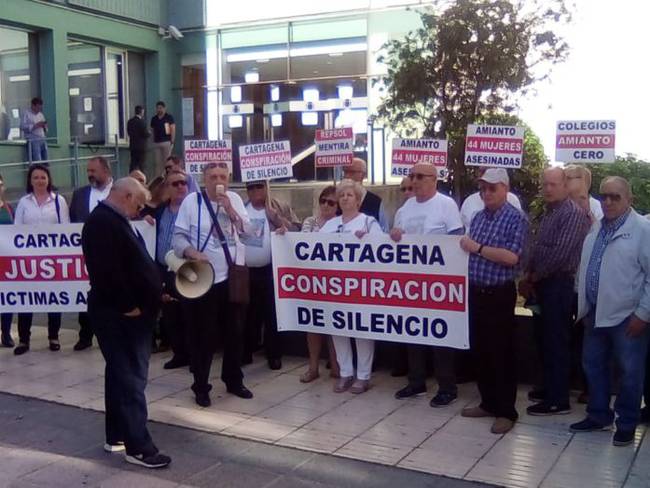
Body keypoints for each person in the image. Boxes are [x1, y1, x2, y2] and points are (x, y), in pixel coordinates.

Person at [82, 177, 170, 468]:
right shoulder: (102, 223)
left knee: (119, 374)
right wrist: (129, 306)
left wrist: (157, 290)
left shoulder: (112, 220)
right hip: (119, 315)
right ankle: (139, 447)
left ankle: (117, 435)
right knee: (131, 377)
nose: (139, 209)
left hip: (123, 313)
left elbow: (134, 265)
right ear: (128, 195)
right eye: (139, 203)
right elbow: (107, 272)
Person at [570, 176, 650, 447]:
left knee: (630, 373)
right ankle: (598, 415)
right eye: (604, 196)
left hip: (629, 317)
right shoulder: (596, 228)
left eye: (615, 196)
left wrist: (643, 314)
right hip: (595, 313)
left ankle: (626, 423)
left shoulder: (642, 230)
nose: (607, 201)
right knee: (593, 367)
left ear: (629, 200)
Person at [172, 162, 253, 407]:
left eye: (223, 176)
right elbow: (177, 238)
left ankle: (233, 379)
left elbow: (249, 232)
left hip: (232, 277)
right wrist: (191, 251)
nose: (219, 180)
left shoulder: (235, 200)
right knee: (203, 335)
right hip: (205, 278)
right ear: (204, 179)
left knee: (235, 333)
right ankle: (201, 385)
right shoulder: (191, 202)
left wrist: (230, 210)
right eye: (213, 177)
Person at [459, 168, 528, 434]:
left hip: (499, 294)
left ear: (505, 189)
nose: (486, 193)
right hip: (476, 292)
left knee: (501, 353)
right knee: (481, 351)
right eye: (483, 188)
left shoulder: (515, 219)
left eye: (492, 188)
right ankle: (487, 402)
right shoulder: (477, 217)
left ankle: (506, 411)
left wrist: (477, 248)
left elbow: (512, 257)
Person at [390, 163, 464, 407]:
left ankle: (447, 387)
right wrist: (395, 235)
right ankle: (416, 382)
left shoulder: (446, 205)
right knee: (414, 331)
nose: (414, 181)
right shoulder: (406, 207)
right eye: (412, 176)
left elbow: (456, 238)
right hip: (411, 282)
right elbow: (396, 237)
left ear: (434, 179)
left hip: (438, 281)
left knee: (440, 334)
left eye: (419, 176)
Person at [521, 167, 592, 415]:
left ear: (564, 186)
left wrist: (534, 276)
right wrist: (529, 274)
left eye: (553, 184)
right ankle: (550, 387)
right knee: (543, 339)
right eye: (545, 185)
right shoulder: (550, 212)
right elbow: (538, 247)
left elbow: (559, 255)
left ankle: (558, 398)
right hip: (542, 284)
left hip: (558, 285)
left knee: (556, 342)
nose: (548, 189)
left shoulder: (572, 213)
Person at [320, 179, 383, 394]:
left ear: (358, 200)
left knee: (362, 328)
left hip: (360, 286)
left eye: (350, 195)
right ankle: (345, 372)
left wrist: (367, 239)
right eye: (343, 195)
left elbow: (382, 248)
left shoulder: (368, 222)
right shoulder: (329, 225)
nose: (346, 198)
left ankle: (363, 376)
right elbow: (310, 247)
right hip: (335, 286)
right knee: (339, 328)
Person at [242, 180, 301, 370]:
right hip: (246, 269)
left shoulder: (279, 207)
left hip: (271, 268)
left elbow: (297, 230)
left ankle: (274, 354)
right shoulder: (241, 208)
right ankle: (246, 351)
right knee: (247, 313)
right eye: (251, 187)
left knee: (272, 313)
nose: (255, 191)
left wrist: (277, 219)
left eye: (259, 186)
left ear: (266, 187)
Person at [13, 164, 70, 355]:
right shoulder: (23, 202)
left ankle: (53, 336)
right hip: (28, 260)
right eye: (35, 177)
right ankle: (23, 340)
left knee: (53, 298)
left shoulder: (58, 201)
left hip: (53, 259)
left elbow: (66, 228)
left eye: (43, 177)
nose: (39, 181)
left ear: (49, 179)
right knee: (26, 299)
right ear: (30, 180)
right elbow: (16, 230)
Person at [69, 156, 114, 351]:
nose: (90, 174)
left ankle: (113, 332)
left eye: (93, 171)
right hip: (86, 253)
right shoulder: (79, 195)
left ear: (106, 170)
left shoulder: (120, 190)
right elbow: (72, 222)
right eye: (88, 171)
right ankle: (85, 335)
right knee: (85, 292)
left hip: (114, 253)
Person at [298, 186, 340, 383]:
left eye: (331, 202)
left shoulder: (342, 224)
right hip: (313, 280)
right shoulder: (310, 221)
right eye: (323, 200)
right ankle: (313, 367)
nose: (326, 205)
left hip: (335, 281)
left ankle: (336, 366)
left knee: (334, 326)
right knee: (313, 325)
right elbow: (305, 243)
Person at [154, 170, 191, 370]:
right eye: (175, 184)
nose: (180, 187)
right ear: (167, 188)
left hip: (187, 270)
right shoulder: (160, 211)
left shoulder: (194, 211)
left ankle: (194, 355)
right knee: (170, 314)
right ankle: (179, 354)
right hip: (164, 269)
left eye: (183, 183)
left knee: (189, 314)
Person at [342, 158, 388, 230]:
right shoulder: (337, 199)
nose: (347, 176)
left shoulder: (376, 202)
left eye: (352, 172)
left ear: (363, 174)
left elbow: (384, 230)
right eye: (345, 172)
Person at [0, 173, 14, 347]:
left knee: (8, 298)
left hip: (6, 261)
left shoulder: (9, 208)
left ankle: (6, 332)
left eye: (0, 184)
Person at [150, 101, 175, 177]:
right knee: (157, 162)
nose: (159, 110)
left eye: (161, 108)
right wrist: (152, 141)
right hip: (157, 142)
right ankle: (158, 178)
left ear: (164, 108)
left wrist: (172, 140)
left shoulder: (169, 117)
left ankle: (167, 176)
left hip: (166, 142)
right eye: (157, 108)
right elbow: (151, 130)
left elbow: (172, 129)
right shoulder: (154, 119)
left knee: (166, 161)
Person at [21, 97, 48, 162]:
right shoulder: (26, 114)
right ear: (33, 105)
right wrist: (34, 126)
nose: (39, 109)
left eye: (40, 108)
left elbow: (46, 128)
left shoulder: (41, 115)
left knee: (45, 159)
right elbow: (22, 126)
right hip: (33, 139)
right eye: (38, 107)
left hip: (42, 138)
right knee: (37, 159)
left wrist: (45, 126)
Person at [127, 105, 150, 172]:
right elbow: (145, 133)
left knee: (133, 163)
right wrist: (149, 133)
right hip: (141, 147)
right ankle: (142, 179)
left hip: (133, 146)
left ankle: (131, 177)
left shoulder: (130, 122)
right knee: (141, 165)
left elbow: (129, 132)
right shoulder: (142, 122)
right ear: (142, 112)